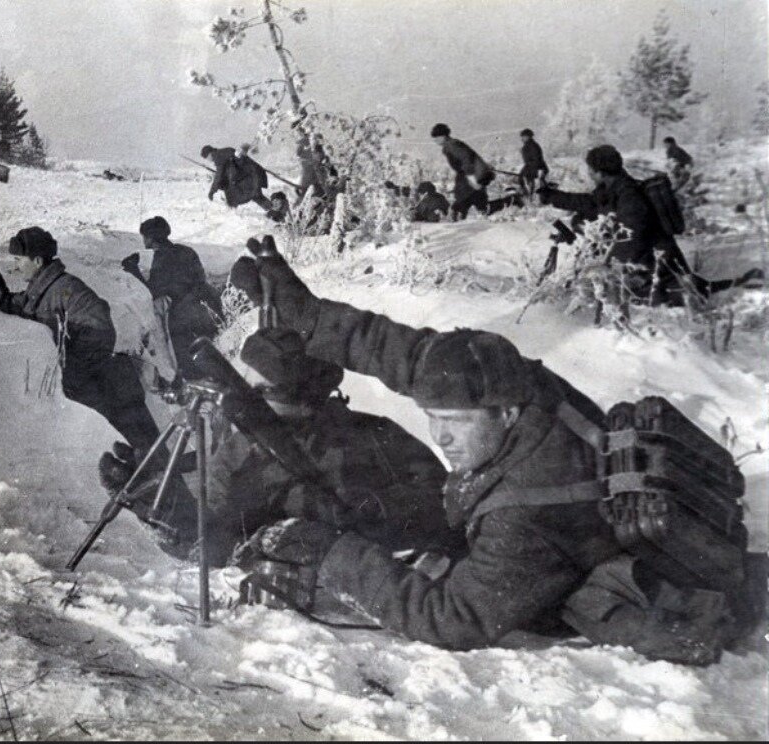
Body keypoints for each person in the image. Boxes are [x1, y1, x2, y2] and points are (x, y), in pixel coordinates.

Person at [227, 242, 758, 665]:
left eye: (455, 422)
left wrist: (335, 554)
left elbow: (453, 618)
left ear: (503, 414)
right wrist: (310, 317)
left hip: (637, 588)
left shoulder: (527, 511)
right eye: (434, 418)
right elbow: (414, 357)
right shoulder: (522, 388)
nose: (441, 436)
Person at [98, 326, 461, 567]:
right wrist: (155, 500)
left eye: (256, 391)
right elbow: (207, 538)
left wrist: (361, 514)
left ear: (297, 398)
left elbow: (448, 509)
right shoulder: (245, 451)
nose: (241, 398)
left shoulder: (375, 435)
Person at [0, 227, 163, 456]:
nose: (15, 266)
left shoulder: (67, 289)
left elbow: (100, 326)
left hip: (102, 388)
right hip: (93, 384)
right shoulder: (42, 290)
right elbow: (6, 304)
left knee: (143, 459)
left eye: (19, 260)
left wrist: (71, 371)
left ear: (37, 261)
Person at [538, 145, 761, 306]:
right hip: (646, 260)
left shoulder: (628, 195)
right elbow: (588, 203)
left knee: (674, 297)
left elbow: (633, 235)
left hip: (657, 263)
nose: (588, 173)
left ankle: (741, 286)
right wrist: (552, 196)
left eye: (590, 169)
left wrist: (609, 264)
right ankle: (734, 285)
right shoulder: (611, 189)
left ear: (599, 172)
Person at [121, 217, 224, 380]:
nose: (144, 240)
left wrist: (133, 270)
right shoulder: (186, 250)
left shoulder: (161, 257)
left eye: (145, 236)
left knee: (188, 364)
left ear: (151, 238)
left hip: (184, 316)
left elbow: (154, 292)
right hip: (206, 308)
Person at [431, 123, 494, 219]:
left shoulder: (452, 145)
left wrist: (472, 179)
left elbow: (466, 159)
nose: (435, 140)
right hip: (471, 176)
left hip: (470, 176)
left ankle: (514, 201)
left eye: (437, 137)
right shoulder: (451, 145)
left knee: (463, 202)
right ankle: (512, 202)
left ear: (443, 136)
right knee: (478, 203)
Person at [201, 144, 273, 210]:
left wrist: (212, 191)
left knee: (233, 197)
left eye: (207, 158)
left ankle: (232, 214)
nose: (208, 160)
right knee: (256, 196)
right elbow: (231, 167)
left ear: (209, 154)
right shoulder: (224, 152)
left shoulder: (217, 156)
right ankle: (273, 210)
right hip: (253, 174)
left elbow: (219, 175)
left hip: (248, 177)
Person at [518, 128, 549, 195]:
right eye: (522, 136)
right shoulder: (528, 146)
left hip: (536, 167)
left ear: (529, 137)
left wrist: (532, 170)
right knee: (522, 179)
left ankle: (530, 196)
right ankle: (528, 195)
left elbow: (536, 159)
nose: (522, 138)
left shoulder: (532, 146)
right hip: (532, 167)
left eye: (524, 136)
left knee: (530, 182)